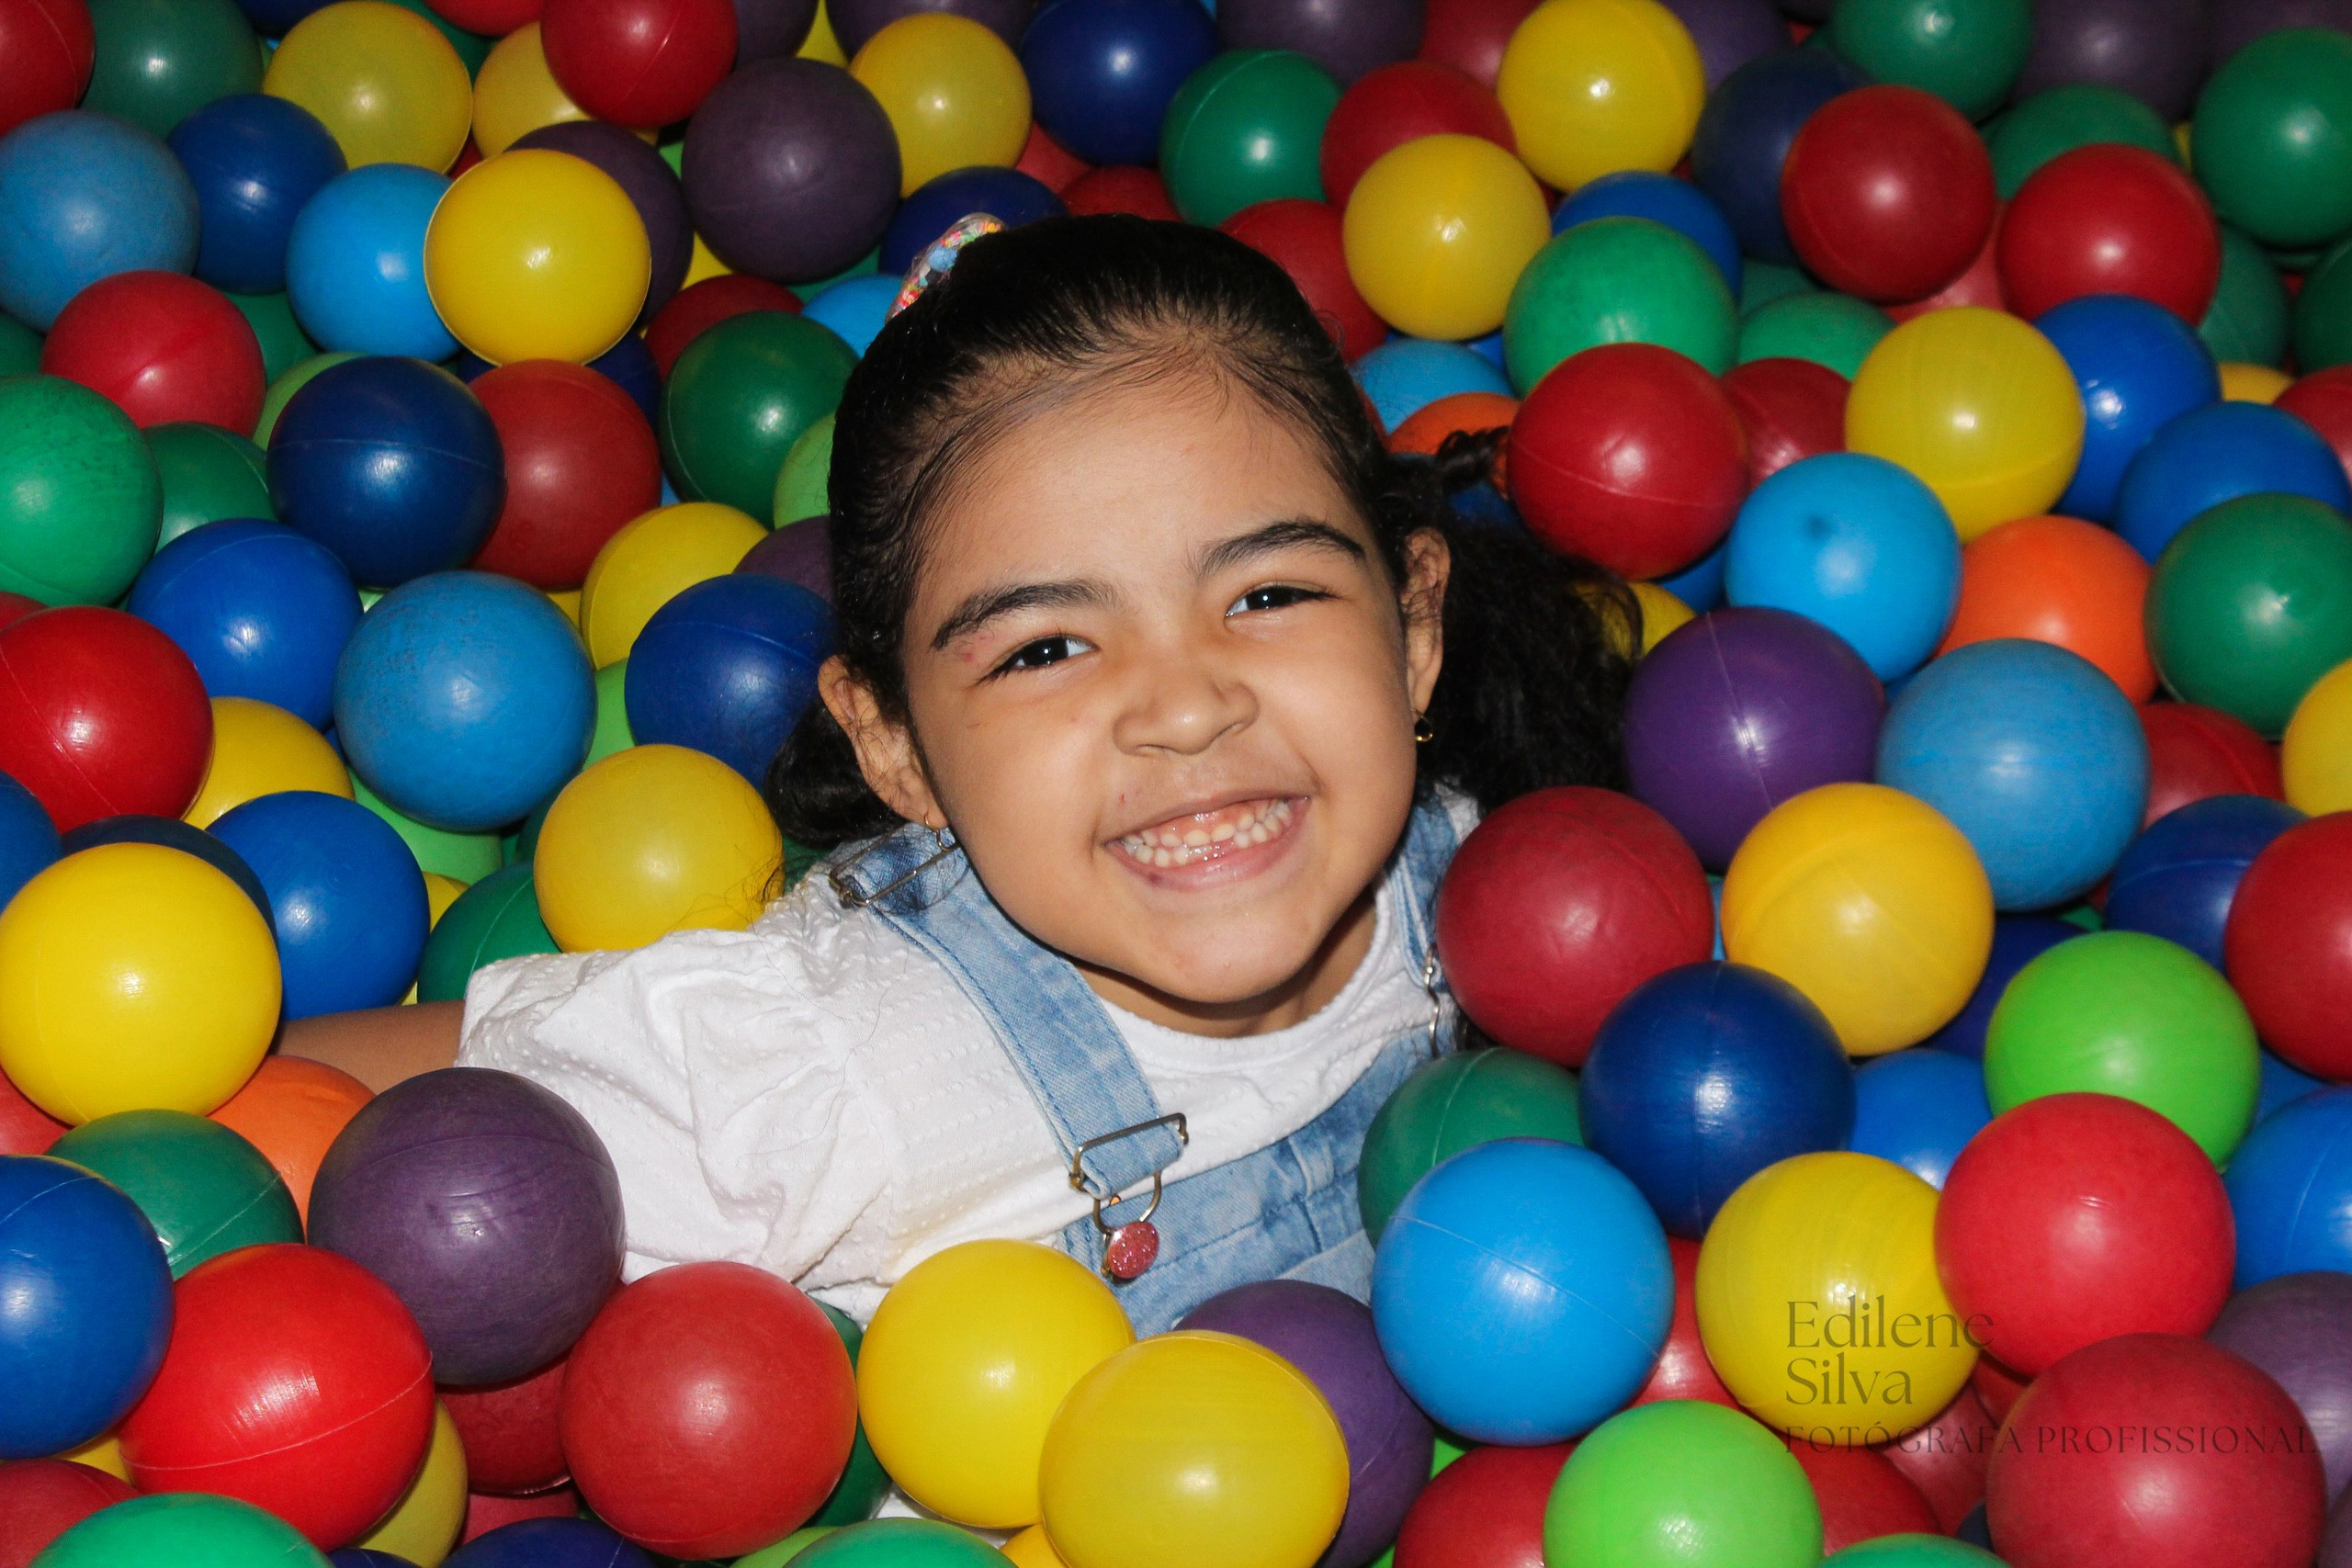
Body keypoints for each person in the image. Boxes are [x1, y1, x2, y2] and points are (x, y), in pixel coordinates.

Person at [287, 215, 1633, 1331]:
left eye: (1268, 594)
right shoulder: (837, 1073)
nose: (1181, 705)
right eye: (1046, 645)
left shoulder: (1515, 883)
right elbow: (314, 1130)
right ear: (894, 746)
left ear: (1410, 632)